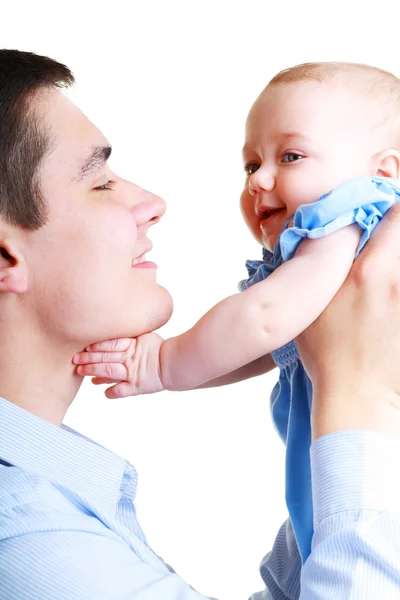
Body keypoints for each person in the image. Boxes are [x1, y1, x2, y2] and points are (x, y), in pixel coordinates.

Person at [1, 49, 400, 600]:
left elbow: (263, 320)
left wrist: (165, 363)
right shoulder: (32, 542)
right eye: (100, 184)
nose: (153, 202)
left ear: (384, 170)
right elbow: (263, 329)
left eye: (291, 155)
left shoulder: (351, 219)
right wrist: (355, 405)